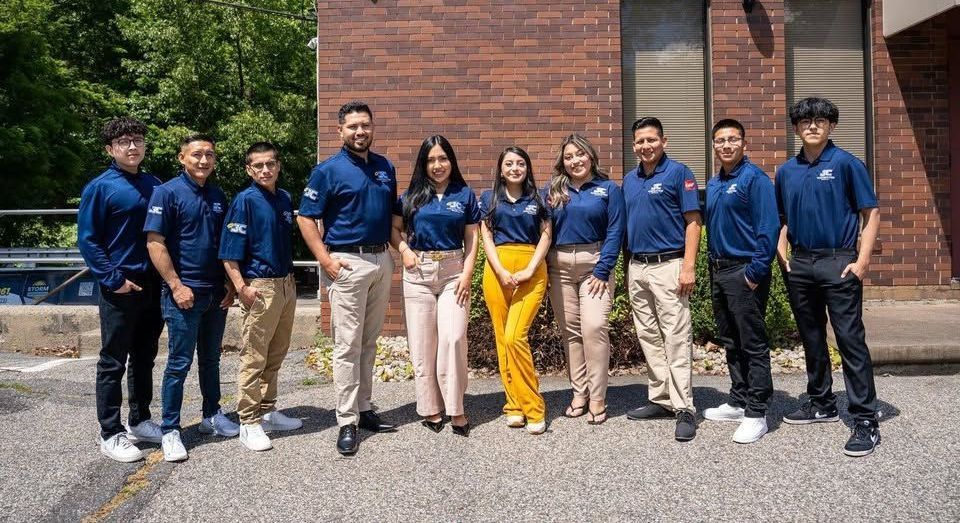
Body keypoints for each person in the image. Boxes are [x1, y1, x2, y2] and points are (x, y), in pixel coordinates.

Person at [776, 97, 882, 457]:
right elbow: (783, 218)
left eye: (820, 120)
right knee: (811, 337)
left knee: (850, 340)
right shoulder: (786, 171)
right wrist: (782, 251)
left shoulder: (848, 164)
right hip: (801, 264)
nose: (812, 126)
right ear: (796, 127)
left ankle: (865, 417)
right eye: (805, 121)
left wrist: (862, 260)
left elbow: (871, 213)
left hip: (839, 262)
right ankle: (821, 401)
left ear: (831, 126)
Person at [298, 101, 398, 456]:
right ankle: (346, 420)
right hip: (346, 261)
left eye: (366, 125)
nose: (360, 132)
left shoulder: (385, 167)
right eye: (353, 126)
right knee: (347, 345)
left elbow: (394, 216)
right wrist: (325, 260)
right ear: (340, 130)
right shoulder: (327, 171)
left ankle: (365, 407)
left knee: (370, 342)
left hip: (381, 258)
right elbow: (306, 218)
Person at [145, 134, 239, 462]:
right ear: (181, 157)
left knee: (211, 359)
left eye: (209, 155)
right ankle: (170, 430)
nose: (203, 161)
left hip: (215, 293)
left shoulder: (217, 194)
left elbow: (225, 243)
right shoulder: (166, 192)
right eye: (197, 155)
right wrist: (175, 285)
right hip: (183, 294)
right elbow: (155, 243)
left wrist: (229, 283)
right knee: (179, 364)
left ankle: (211, 416)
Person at [78, 117, 164, 462]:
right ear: (110, 149)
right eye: (124, 142)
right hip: (120, 287)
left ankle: (140, 420)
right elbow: (88, 240)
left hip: (153, 285)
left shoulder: (155, 184)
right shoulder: (100, 187)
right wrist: (113, 279)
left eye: (138, 140)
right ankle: (111, 432)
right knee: (113, 361)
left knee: (145, 357)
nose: (132, 147)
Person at [390, 135, 480, 437]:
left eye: (443, 159)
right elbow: (394, 230)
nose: (438, 165)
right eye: (431, 160)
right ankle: (430, 405)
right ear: (423, 164)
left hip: (455, 272)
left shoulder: (464, 195)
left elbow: (472, 238)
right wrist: (404, 251)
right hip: (418, 274)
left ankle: (456, 407)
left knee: (454, 338)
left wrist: (467, 274)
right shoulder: (410, 196)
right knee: (422, 343)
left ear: (451, 161)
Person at [622, 117, 702, 441]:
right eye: (640, 141)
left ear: (664, 141)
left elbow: (693, 222)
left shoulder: (679, 173)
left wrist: (689, 266)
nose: (646, 146)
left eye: (652, 140)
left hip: (669, 265)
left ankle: (685, 408)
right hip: (637, 268)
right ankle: (661, 398)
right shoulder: (629, 180)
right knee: (649, 337)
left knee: (676, 336)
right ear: (634, 145)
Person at [219, 142, 302, 452]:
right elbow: (229, 253)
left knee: (277, 352)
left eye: (270, 164)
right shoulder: (245, 201)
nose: (265, 170)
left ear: (278, 166)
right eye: (258, 166)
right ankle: (248, 421)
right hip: (260, 286)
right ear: (249, 170)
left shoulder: (283, 198)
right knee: (254, 355)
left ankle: (268, 410)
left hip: (286, 284)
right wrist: (241, 287)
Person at [702, 119, 778, 444]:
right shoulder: (715, 182)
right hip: (719, 270)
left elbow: (769, 229)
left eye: (733, 139)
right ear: (714, 146)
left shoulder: (755, 180)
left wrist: (754, 273)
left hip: (743, 271)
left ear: (744, 144)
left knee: (753, 343)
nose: (726, 145)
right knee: (730, 340)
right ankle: (738, 399)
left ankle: (757, 413)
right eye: (720, 140)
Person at [544, 134, 624, 425]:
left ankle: (598, 397)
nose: (575, 161)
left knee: (594, 327)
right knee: (571, 333)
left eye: (580, 155)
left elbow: (616, 230)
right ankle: (580, 393)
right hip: (559, 267)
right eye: (568, 156)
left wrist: (604, 269)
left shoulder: (608, 189)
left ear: (591, 157)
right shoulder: (553, 190)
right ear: (562, 161)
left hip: (595, 266)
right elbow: (543, 231)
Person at [479, 146, 552, 435]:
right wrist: (499, 269)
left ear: (527, 168)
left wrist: (531, 268)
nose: (514, 168)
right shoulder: (489, 198)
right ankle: (513, 405)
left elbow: (547, 233)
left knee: (514, 336)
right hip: (498, 271)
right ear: (500, 169)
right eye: (509, 163)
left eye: (520, 163)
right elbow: (486, 235)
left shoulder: (539, 197)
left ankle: (534, 406)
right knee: (502, 339)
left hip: (531, 270)